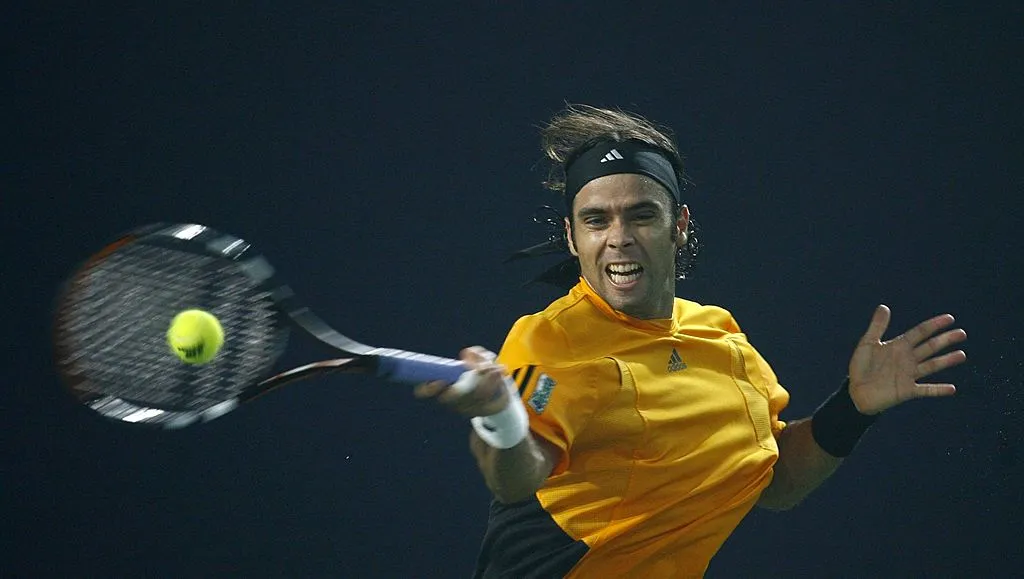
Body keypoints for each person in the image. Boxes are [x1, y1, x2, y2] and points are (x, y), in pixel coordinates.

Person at [414, 104, 968, 578]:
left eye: (641, 215)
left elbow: (775, 481)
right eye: (595, 220)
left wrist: (854, 406)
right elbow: (518, 478)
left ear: (678, 225)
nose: (619, 238)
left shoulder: (721, 336)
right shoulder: (547, 340)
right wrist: (501, 419)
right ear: (572, 236)